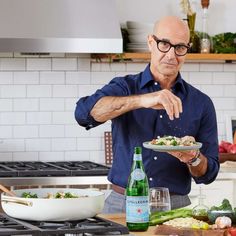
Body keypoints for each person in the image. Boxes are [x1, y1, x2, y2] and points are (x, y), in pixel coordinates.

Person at [74, 15, 219, 213]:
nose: (171, 55)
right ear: (151, 42)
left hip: (174, 208)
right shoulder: (125, 87)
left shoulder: (201, 103)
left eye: (180, 48)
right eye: (164, 44)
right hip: (122, 204)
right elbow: (84, 114)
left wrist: (193, 157)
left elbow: (208, 173)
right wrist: (142, 100)